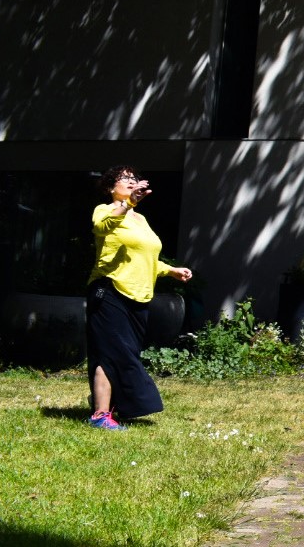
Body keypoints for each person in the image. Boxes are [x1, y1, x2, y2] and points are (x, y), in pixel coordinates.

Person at [85, 166, 193, 430]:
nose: (131, 182)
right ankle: (100, 415)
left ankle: (108, 404)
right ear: (111, 187)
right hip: (110, 290)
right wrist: (127, 204)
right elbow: (101, 227)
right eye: (125, 179)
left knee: (126, 352)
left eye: (134, 179)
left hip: (139, 295)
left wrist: (171, 270)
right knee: (111, 352)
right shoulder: (105, 210)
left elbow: (146, 257)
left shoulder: (141, 220)